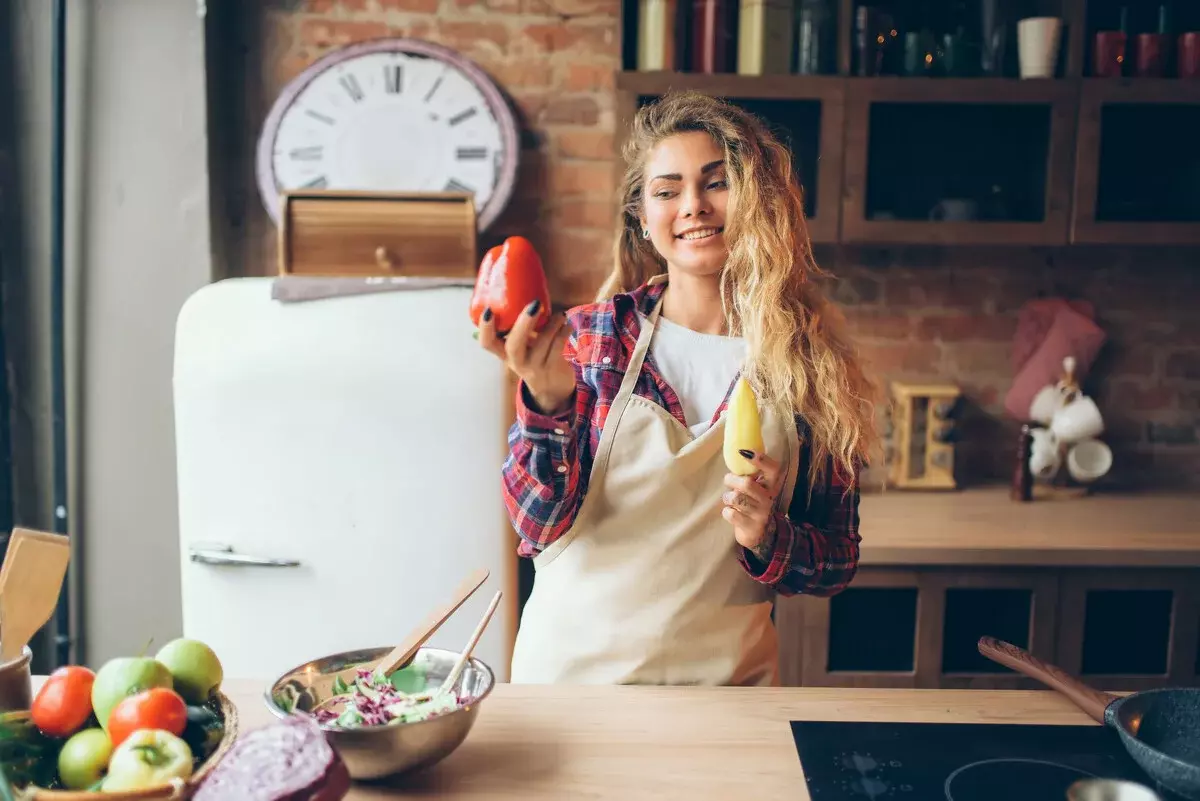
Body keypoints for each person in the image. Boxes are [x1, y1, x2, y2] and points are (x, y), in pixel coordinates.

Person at [477, 90, 879, 687]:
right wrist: (547, 401)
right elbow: (534, 527)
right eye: (667, 191)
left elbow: (835, 563)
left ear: (756, 201)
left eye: (716, 183)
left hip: (727, 694)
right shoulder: (592, 338)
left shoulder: (807, 366)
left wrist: (769, 535)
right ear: (643, 217)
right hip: (572, 685)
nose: (693, 205)